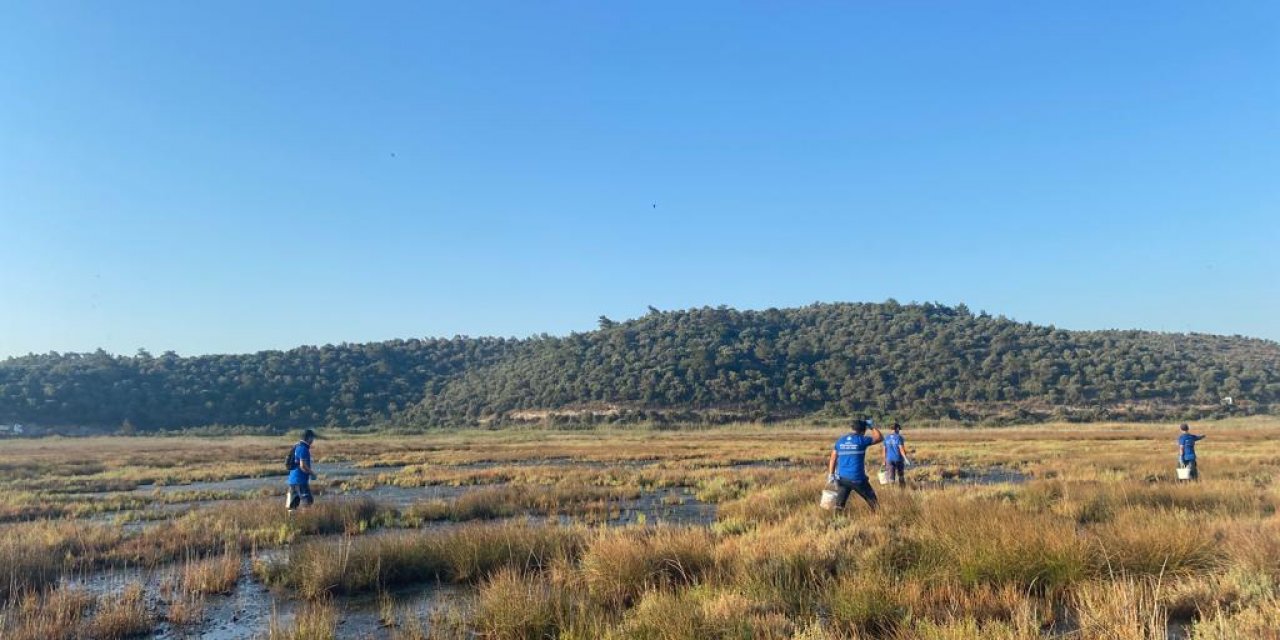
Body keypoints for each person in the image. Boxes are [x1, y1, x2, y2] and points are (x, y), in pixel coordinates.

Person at [826, 418, 883, 511]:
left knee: (839, 505)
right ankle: (878, 518)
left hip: (842, 478)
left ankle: (836, 522)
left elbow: (833, 458)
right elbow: (879, 438)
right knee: (874, 502)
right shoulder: (861, 440)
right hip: (858, 479)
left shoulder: (840, 440)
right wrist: (871, 426)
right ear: (863, 431)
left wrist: (831, 475)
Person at [287, 429, 317, 511]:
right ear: (309, 438)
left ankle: (291, 522)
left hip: (292, 481)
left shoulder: (297, 446)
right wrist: (312, 473)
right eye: (313, 438)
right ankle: (306, 521)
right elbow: (302, 465)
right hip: (300, 481)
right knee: (308, 502)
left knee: (292, 505)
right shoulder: (304, 449)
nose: (313, 441)